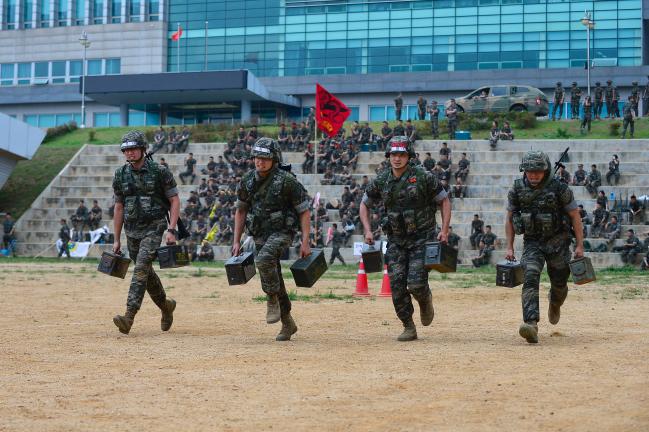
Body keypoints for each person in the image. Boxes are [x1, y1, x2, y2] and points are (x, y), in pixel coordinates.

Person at [360, 136, 451, 342]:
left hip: (422, 238)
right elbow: (364, 204)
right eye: (394, 154)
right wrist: (367, 230)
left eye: (401, 154)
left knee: (416, 284)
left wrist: (444, 230)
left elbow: (444, 201)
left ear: (409, 156)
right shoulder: (382, 180)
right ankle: (408, 325)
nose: (397, 158)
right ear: (388, 156)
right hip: (396, 240)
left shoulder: (423, 177)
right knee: (397, 286)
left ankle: (425, 299)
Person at [232, 137, 311, 342]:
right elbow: (240, 211)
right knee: (274, 276)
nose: (260, 161)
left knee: (264, 260)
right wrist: (235, 240)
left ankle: (271, 299)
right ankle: (287, 322)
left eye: (265, 158)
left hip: (283, 232)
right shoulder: (247, 180)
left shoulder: (287, 181)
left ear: (274, 159)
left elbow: (304, 211)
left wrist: (305, 241)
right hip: (259, 233)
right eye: (257, 157)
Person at [505, 151, 584, 344]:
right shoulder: (516, 189)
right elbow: (509, 218)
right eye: (530, 171)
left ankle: (555, 303)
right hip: (533, 242)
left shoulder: (559, 188)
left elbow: (575, 216)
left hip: (559, 242)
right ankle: (531, 324)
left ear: (546, 170)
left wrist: (580, 245)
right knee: (530, 276)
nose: (533, 175)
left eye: (538, 172)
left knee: (559, 283)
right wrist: (509, 247)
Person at [111, 130, 179, 335]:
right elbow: (119, 207)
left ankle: (129, 316)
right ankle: (166, 306)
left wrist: (171, 230)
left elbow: (174, 200)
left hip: (154, 226)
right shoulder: (120, 174)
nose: (129, 153)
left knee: (140, 268)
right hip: (131, 230)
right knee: (146, 274)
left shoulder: (160, 171)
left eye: (133, 149)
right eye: (126, 150)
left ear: (143, 149)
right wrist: (116, 239)